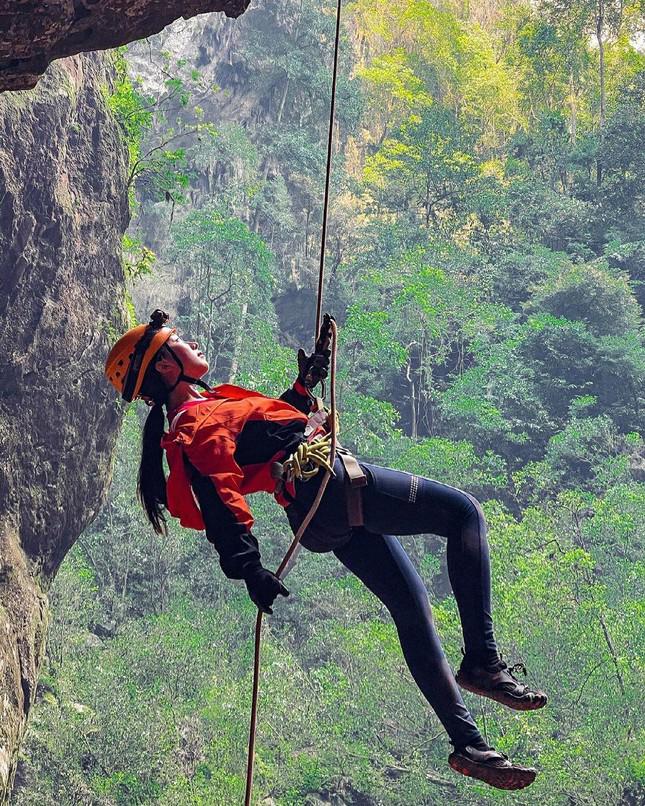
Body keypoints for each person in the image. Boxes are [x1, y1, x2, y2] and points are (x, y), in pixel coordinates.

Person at [105, 309, 547, 791]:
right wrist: (249, 569)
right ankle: (483, 661)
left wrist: (302, 385)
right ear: (167, 366)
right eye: (180, 340)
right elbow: (217, 495)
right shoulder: (194, 423)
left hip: (318, 513)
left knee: (411, 605)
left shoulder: (206, 408)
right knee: (464, 514)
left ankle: (469, 745)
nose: (192, 343)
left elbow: (265, 435)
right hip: (329, 485)